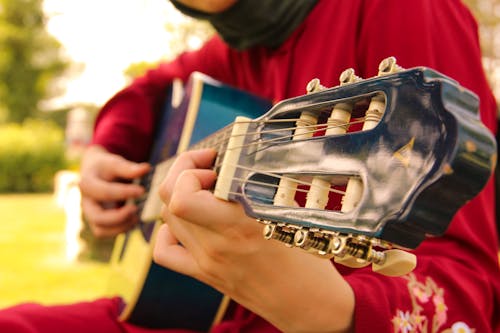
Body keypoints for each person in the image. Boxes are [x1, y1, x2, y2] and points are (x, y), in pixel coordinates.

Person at [1, 0, 499, 332]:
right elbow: (147, 90)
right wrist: (105, 150)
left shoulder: (400, 9)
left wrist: (329, 310)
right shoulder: (234, 46)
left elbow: (471, 289)